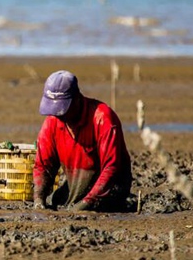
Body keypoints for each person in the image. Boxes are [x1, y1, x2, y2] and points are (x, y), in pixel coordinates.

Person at [33, 70, 132, 211]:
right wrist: (39, 199)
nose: (59, 115)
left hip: (109, 191)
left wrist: (86, 204)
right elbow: (43, 165)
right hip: (75, 188)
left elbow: (111, 167)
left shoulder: (102, 118)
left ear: (76, 99)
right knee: (57, 200)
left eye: (62, 110)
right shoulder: (53, 122)